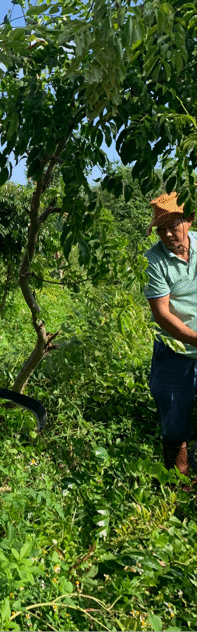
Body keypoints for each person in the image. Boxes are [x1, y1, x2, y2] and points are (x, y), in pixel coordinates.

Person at [144, 191, 197, 477]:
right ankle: (178, 483)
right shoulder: (154, 260)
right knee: (174, 418)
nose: (166, 234)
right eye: (160, 229)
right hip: (175, 349)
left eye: (172, 226)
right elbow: (163, 315)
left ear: (189, 221)